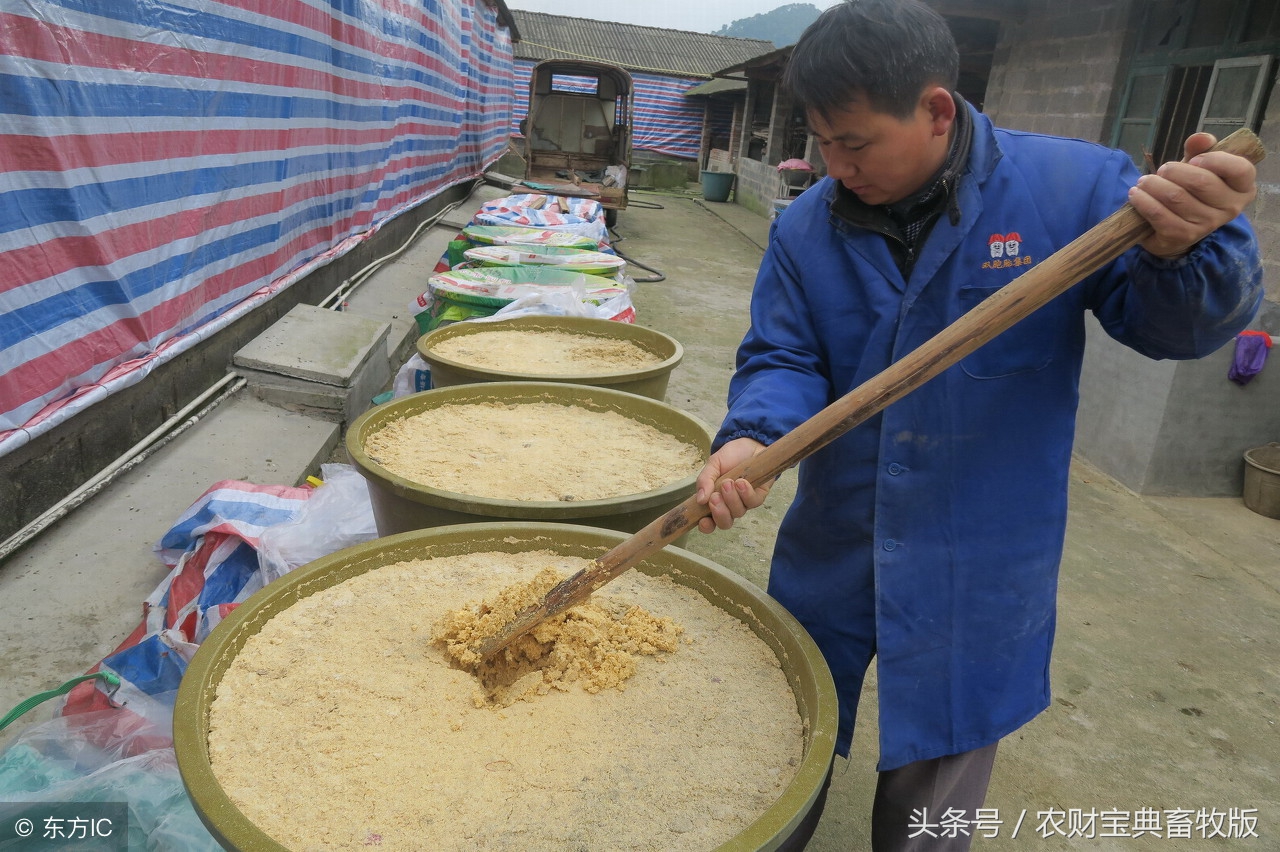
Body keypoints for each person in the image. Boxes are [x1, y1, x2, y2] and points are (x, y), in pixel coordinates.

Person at [692, 1, 1263, 849]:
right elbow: (784, 353)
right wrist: (754, 442)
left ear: (935, 110)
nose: (835, 165)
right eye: (823, 142)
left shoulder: (1076, 191)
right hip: (838, 530)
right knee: (783, 730)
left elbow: (1172, 332)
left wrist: (1189, 249)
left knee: (940, 783)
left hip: (984, 546)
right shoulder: (806, 228)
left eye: (854, 143)